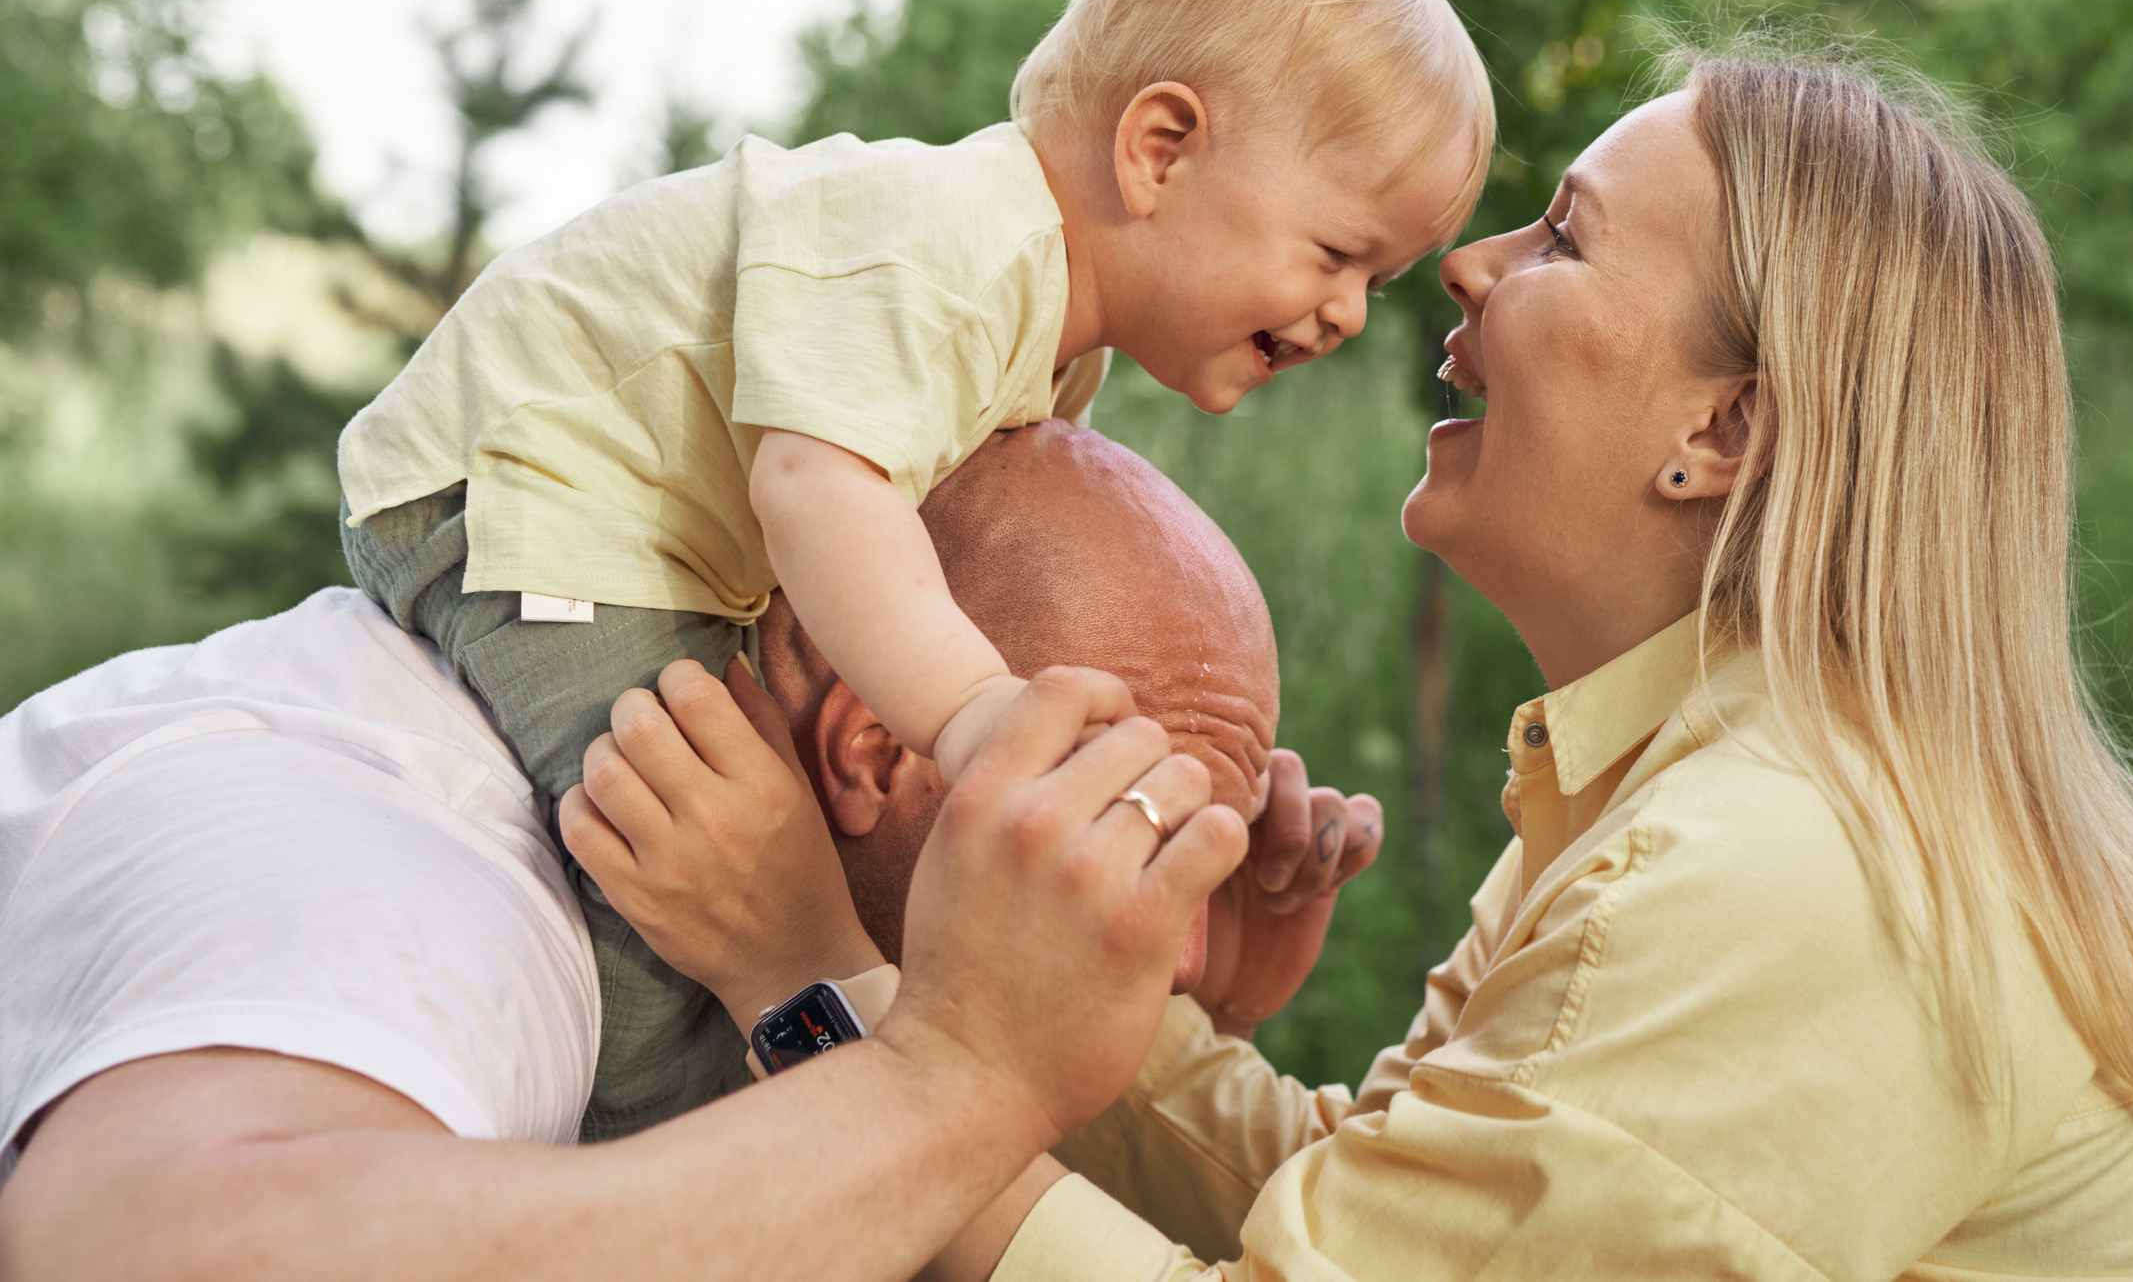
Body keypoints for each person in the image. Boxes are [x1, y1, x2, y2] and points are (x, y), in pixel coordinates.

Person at [601, 53, 2133, 1276]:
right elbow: (1364, 1214)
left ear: (1722, 430)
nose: (1469, 265)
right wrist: (1113, 988)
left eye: (1564, 239)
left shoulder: (1781, 872)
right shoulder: (1685, 787)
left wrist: (820, 980)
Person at [334, 0, 1487, 1133]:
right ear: (1160, 149)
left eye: (1379, 279)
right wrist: (972, 711)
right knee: (664, 869)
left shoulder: (1053, 336)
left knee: (753, 844)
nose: (1348, 313)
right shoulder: (947, 248)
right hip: (530, 493)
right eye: (1336, 255)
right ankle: (615, 1175)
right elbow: (817, 487)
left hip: (633, 530)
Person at [0, 425, 1377, 1280]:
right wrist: (953, 1081)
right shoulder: (422, 850)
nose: (1176, 946)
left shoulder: (687, 935)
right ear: (877, 751)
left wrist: (1181, 1031)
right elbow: (135, 1249)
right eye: (1137, 820)